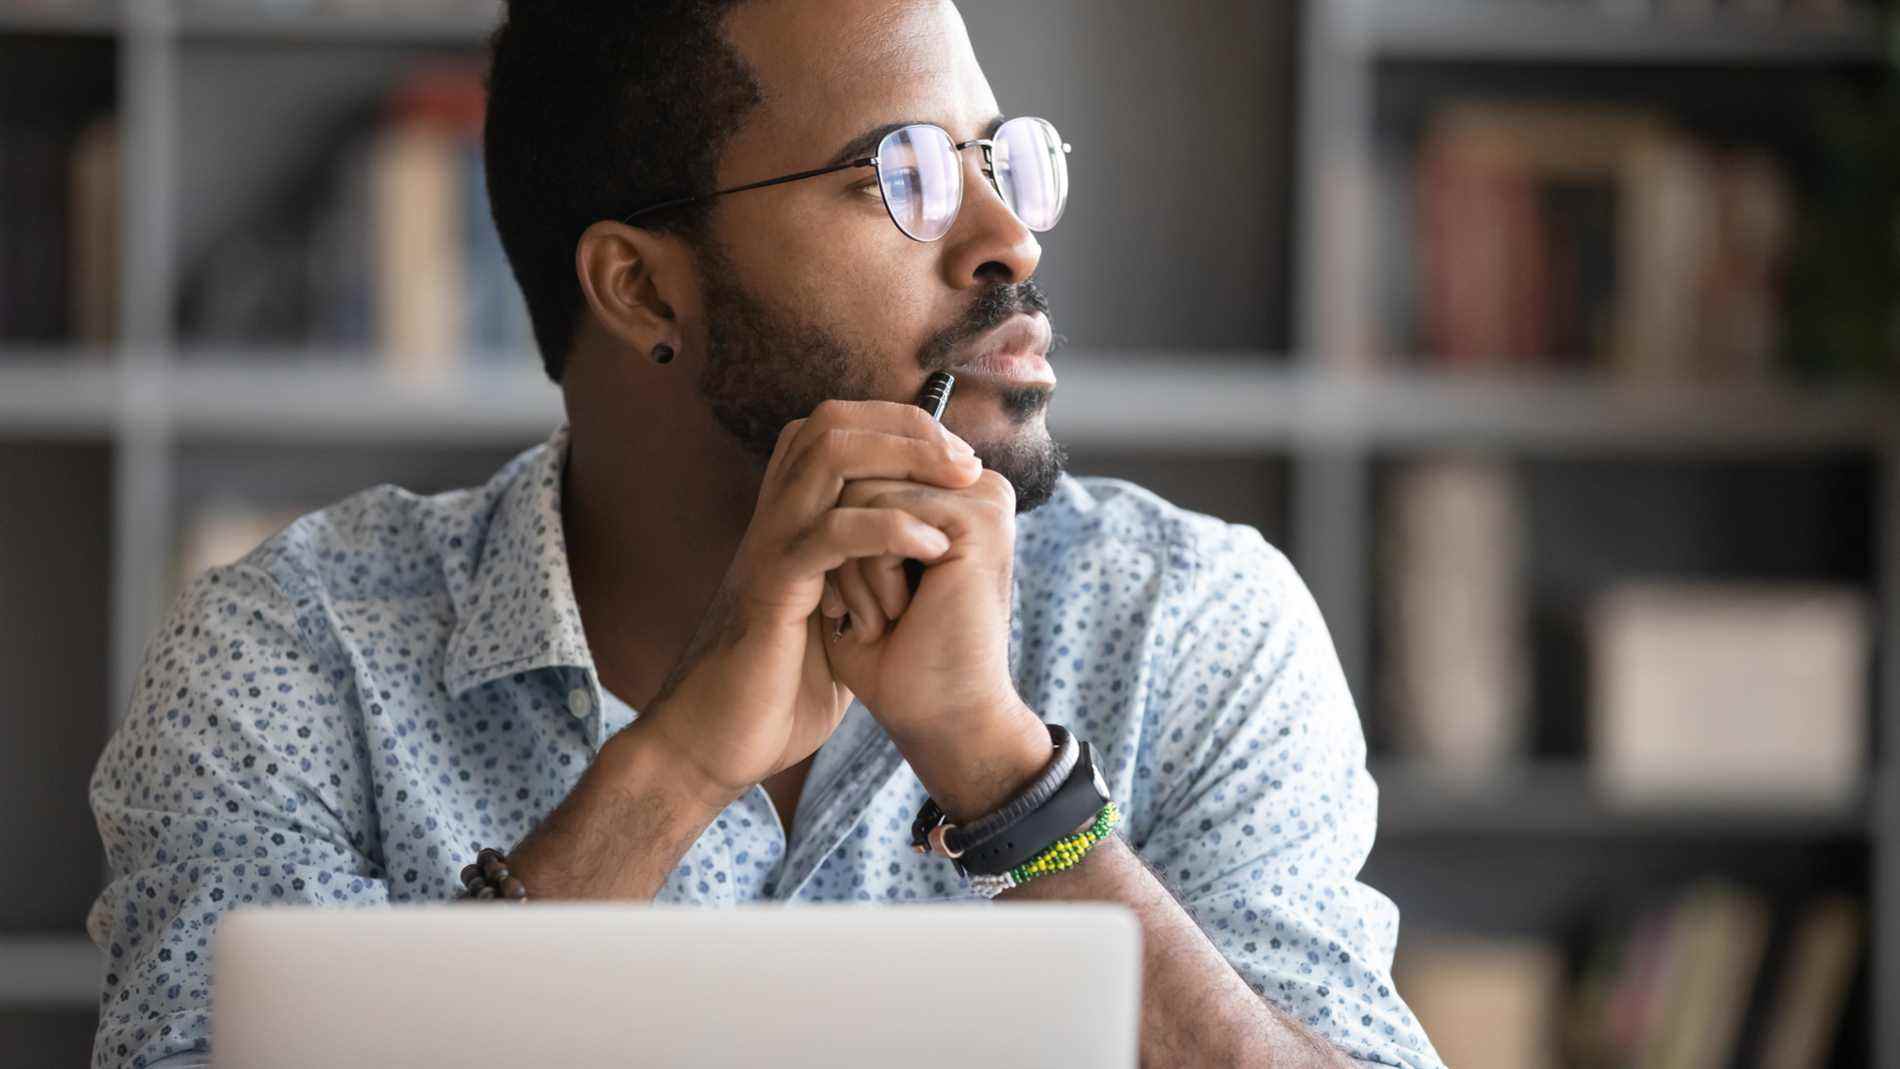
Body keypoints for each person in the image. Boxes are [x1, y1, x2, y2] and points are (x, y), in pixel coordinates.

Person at [86, 2, 1445, 1066]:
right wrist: (671, 768)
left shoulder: (1190, 622)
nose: (1006, 239)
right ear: (639, 286)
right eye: (898, 174)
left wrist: (1011, 785)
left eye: (998, 159)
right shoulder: (296, 656)